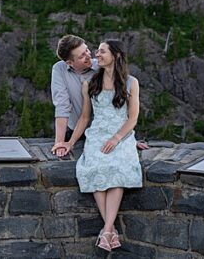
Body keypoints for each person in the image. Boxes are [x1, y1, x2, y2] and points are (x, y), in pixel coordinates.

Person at [51, 40, 142, 251]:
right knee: (94, 169)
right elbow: (84, 118)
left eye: (101, 52)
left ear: (116, 55)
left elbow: (133, 118)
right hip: (97, 135)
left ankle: (107, 230)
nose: (95, 55)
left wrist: (118, 138)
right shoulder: (90, 83)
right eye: (96, 52)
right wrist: (69, 143)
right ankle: (110, 230)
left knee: (117, 168)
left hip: (121, 136)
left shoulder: (131, 83)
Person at [49, 35, 147, 158]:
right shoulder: (59, 69)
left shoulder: (104, 67)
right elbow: (62, 106)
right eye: (82, 56)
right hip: (79, 131)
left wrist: (125, 138)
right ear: (69, 62)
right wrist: (60, 143)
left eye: (87, 50)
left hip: (111, 133)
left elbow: (121, 110)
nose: (89, 55)